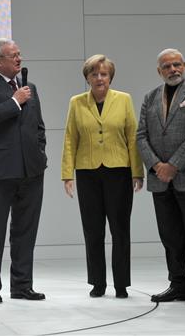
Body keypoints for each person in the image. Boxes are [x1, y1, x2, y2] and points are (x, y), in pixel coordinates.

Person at [61, 55, 143, 299]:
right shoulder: (76, 102)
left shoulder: (124, 99)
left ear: (110, 77)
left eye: (104, 74)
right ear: (87, 77)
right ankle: (98, 282)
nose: (99, 78)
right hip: (87, 172)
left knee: (120, 229)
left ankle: (121, 284)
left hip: (119, 171)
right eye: (94, 74)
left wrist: (137, 171)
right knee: (93, 230)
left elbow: (132, 136)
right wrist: (67, 174)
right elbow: (69, 138)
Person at [0, 38, 47, 304]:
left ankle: (22, 286)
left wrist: (40, 153)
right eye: (13, 55)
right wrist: (15, 102)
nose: (19, 59)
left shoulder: (30, 88)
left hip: (31, 171)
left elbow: (38, 127)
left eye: (19, 55)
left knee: (26, 231)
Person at [136, 48, 185, 306]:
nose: (173, 70)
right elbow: (141, 136)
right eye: (167, 66)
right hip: (160, 179)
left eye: (177, 64)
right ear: (159, 71)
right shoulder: (150, 97)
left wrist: (174, 165)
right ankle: (179, 282)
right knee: (170, 235)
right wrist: (157, 165)